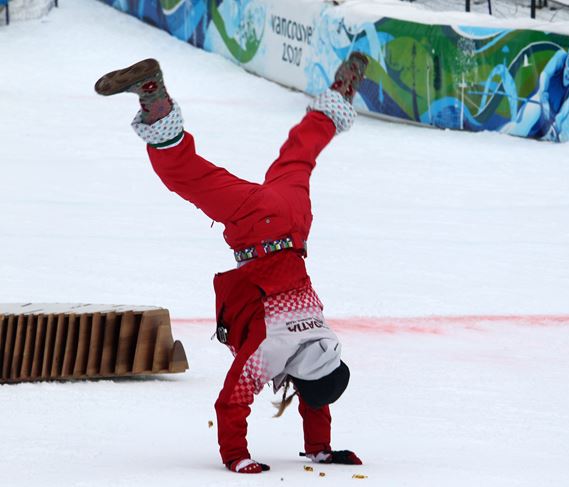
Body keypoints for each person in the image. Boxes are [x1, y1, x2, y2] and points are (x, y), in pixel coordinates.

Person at [94, 52, 369, 474]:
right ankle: (154, 96)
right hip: (258, 226)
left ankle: (337, 99)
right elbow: (232, 400)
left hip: (294, 222)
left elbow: (319, 390)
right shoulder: (271, 349)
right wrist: (236, 457)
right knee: (186, 176)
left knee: (299, 156)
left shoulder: (324, 342)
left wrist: (321, 449)